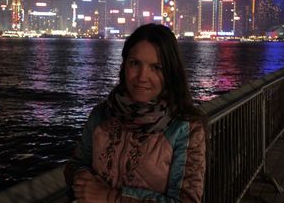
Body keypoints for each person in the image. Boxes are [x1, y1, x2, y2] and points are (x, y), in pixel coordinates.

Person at [64, 23, 207, 202]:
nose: (141, 77)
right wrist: (81, 177)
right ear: (124, 65)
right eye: (134, 63)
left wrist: (109, 198)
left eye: (156, 67)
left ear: (170, 72)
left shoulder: (185, 127)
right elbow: (76, 164)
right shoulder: (102, 114)